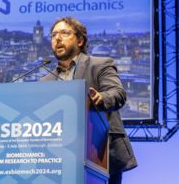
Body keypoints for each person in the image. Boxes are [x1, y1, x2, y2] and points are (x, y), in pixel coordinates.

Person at [41, 17, 137, 184]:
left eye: (64, 33)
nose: (57, 38)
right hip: (58, 160)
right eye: (53, 34)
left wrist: (101, 98)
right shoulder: (45, 82)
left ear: (79, 40)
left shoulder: (100, 65)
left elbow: (117, 93)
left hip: (100, 153)